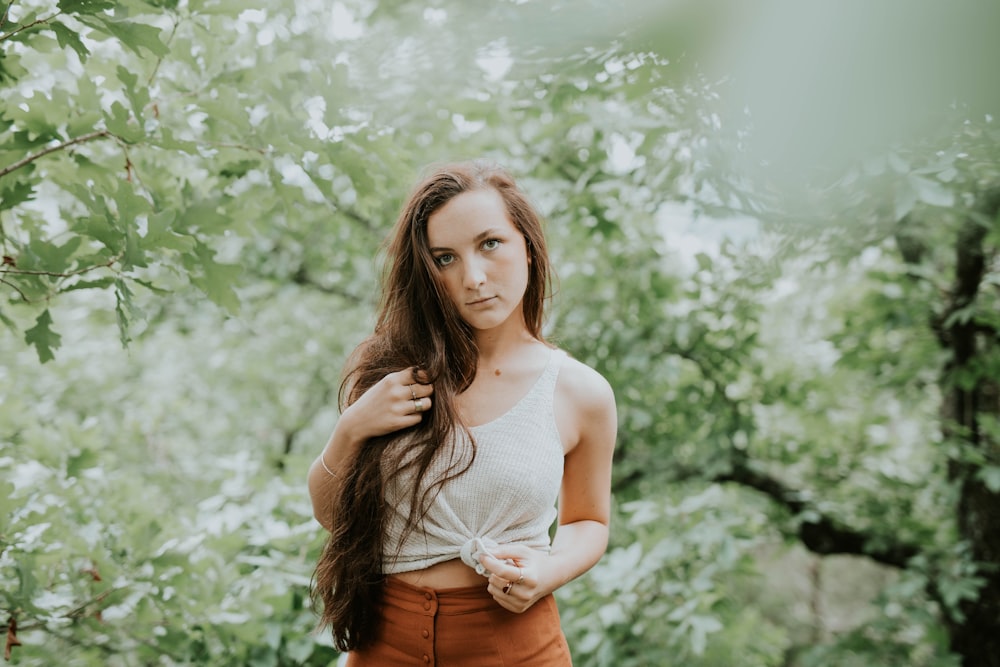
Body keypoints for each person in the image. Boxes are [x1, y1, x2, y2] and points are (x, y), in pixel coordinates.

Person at [307, 159, 617, 666]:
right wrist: (354, 425)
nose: (473, 277)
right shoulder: (391, 370)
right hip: (384, 641)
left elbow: (588, 522)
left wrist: (548, 570)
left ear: (529, 248)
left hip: (513, 643)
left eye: (490, 244)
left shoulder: (579, 392)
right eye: (445, 258)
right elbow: (328, 513)